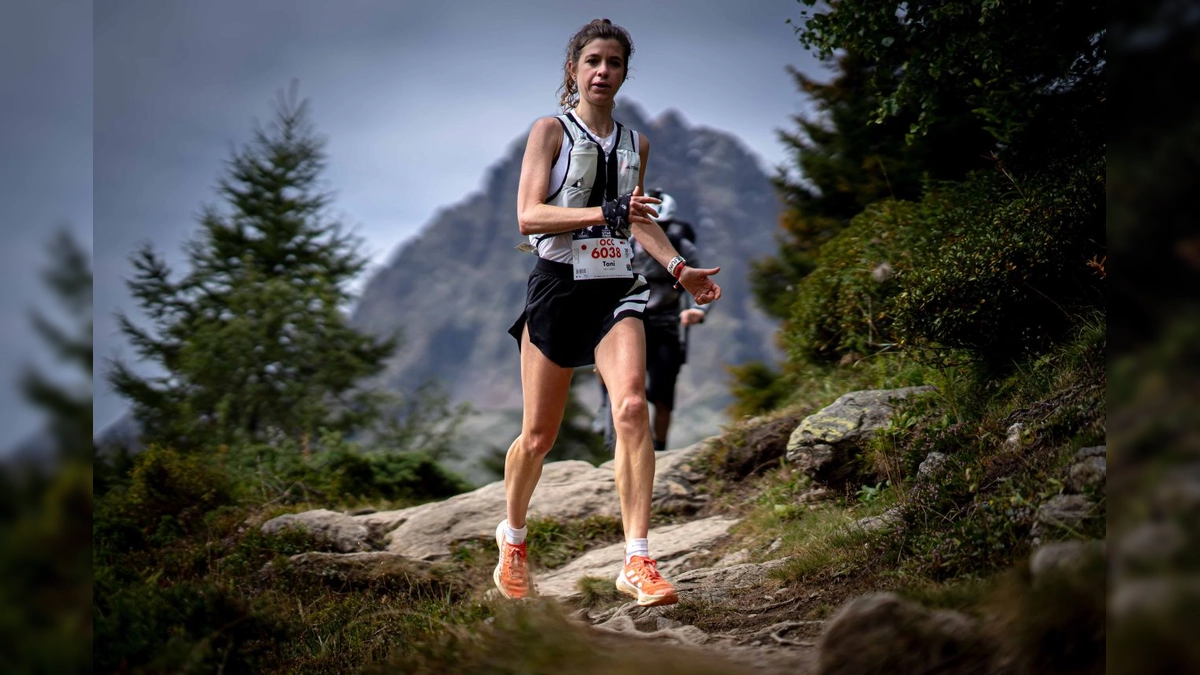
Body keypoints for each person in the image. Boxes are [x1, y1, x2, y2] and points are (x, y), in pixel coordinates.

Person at [495, 18, 722, 607]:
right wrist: (605, 212)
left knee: (630, 408)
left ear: (623, 73)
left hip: (616, 288)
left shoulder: (634, 143)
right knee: (539, 436)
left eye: (614, 63)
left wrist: (678, 270)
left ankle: (638, 560)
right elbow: (529, 216)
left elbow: (639, 217)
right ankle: (514, 540)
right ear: (573, 69)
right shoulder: (550, 131)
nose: (602, 71)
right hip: (557, 286)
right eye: (592, 60)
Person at [595, 189, 709, 451]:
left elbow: (699, 284)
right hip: (627, 320)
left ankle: (659, 448)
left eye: (663, 227)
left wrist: (697, 311)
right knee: (609, 365)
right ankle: (607, 410)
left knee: (663, 393)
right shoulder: (619, 242)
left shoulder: (682, 247)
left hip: (666, 324)